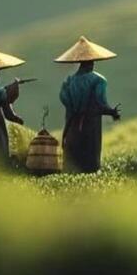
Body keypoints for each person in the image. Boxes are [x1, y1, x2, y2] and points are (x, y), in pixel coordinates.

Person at [55, 35, 122, 173]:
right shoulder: (98, 80)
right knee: (89, 159)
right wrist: (111, 112)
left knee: (73, 160)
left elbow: (65, 100)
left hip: (72, 126)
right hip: (90, 126)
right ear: (92, 62)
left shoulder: (68, 82)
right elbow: (99, 104)